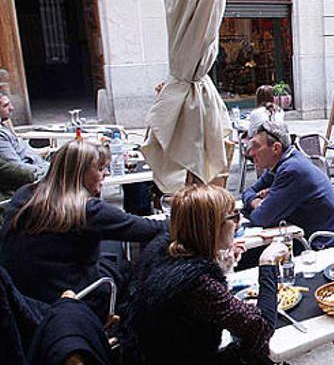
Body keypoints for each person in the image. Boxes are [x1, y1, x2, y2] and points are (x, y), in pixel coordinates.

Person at [127, 184, 289, 364]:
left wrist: (218, 258)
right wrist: (267, 264)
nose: (240, 221)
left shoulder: (164, 249)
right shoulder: (197, 281)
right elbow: (261, 329)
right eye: (233, 216)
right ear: (211, 228)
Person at [0, 140, 163, 307]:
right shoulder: (87, 210)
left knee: (110, 244)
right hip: (70, 299)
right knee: (125, 264)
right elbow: (150, 229)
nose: (106, 174)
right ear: (79, 173)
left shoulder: (25, 194)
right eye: (100, 169)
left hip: (18, 296)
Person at [242, 121, 334, 244]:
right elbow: (248, 191)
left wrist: (258, 204)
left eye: (257, 146)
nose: (251, 153)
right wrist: (256, 202)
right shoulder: (279, 163)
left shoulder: (292, 170)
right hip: (303, 234)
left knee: (242, 255)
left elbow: (261, 218)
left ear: (276, 148)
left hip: (319, 243)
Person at [0, 92, 48, 179]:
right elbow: (17, 167)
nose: (12, 108)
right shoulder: (1, 136)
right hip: (35, 173)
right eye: (5, 106)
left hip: (39, 163)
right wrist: (47, 170)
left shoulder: (4, 125)